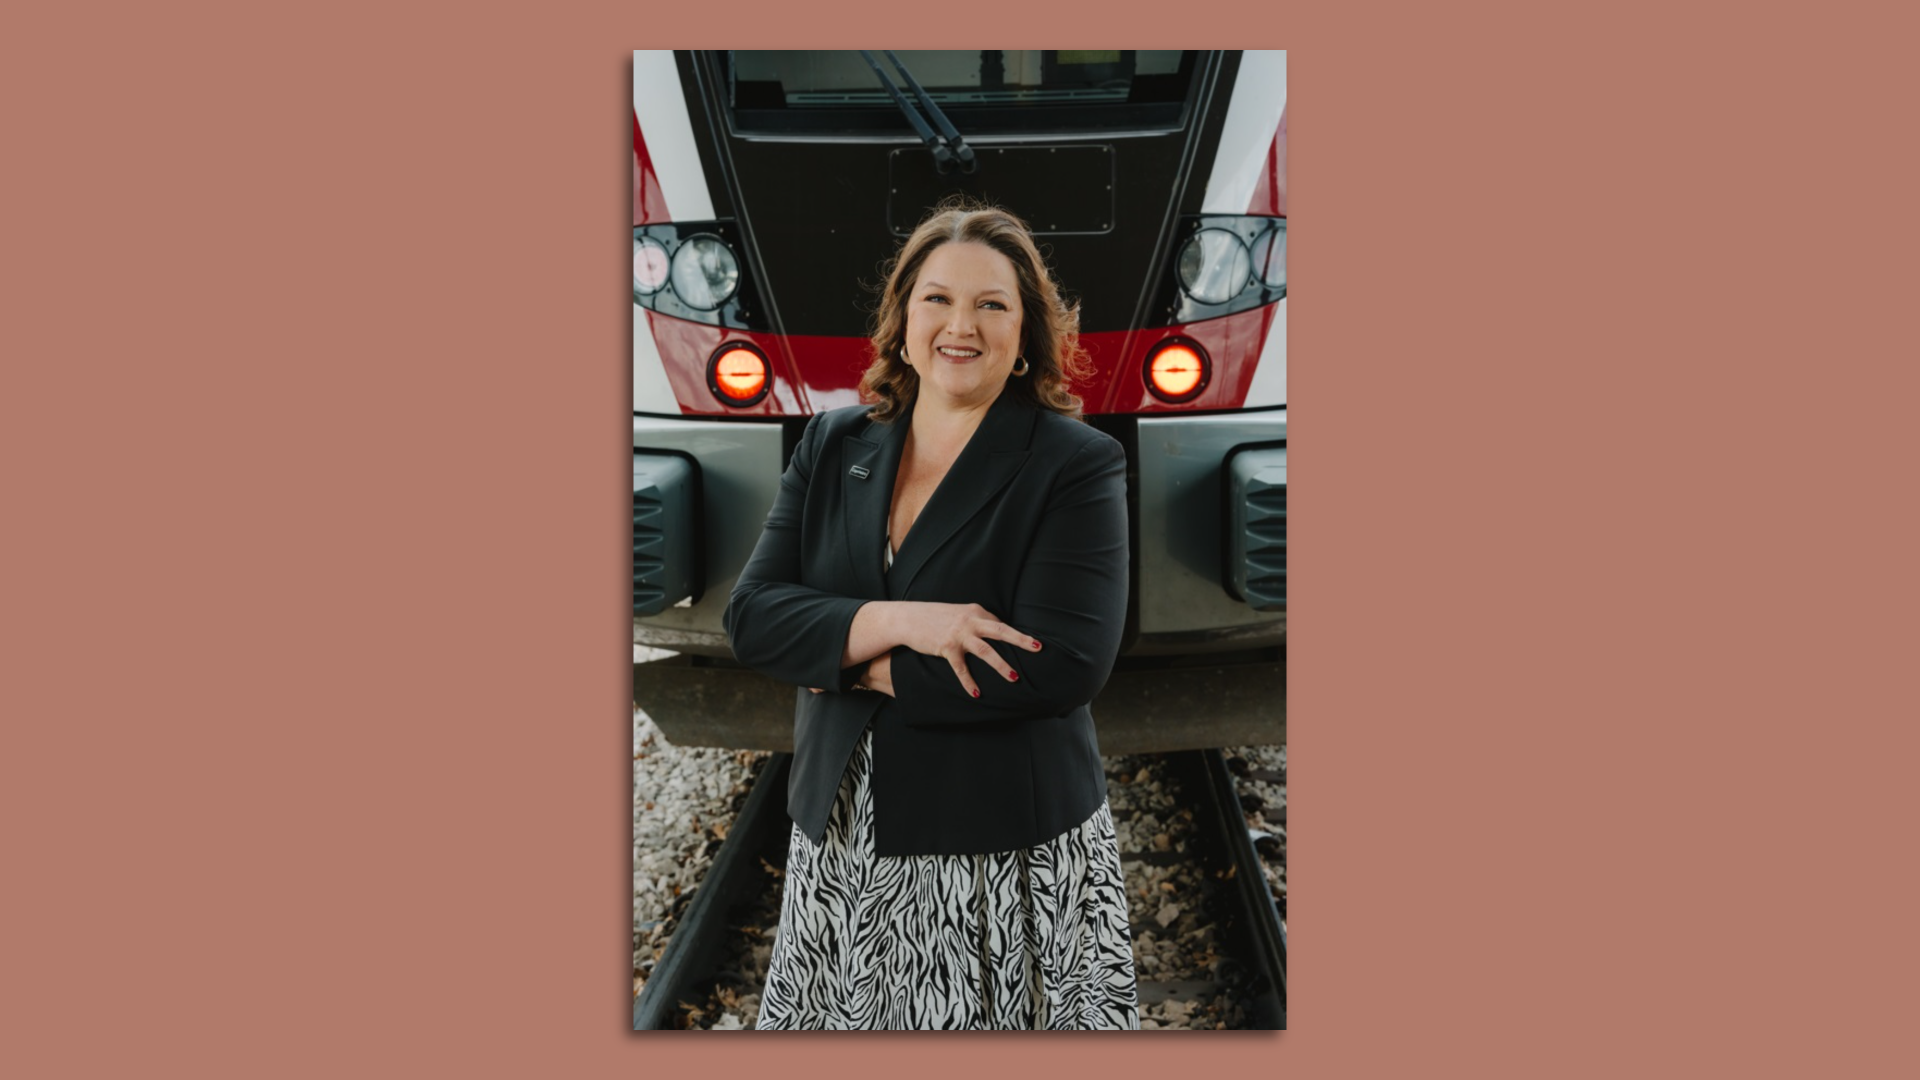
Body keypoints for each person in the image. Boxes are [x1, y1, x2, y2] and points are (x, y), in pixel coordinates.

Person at [723, 198, 1138, 1030]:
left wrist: (849, 661)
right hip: (842, 836)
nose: (962, 325)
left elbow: (1064, 663)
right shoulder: (833, 444)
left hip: (997, 846)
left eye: (993, 304)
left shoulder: (1075, 464)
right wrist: (904, 622)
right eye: (937, 299)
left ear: (1026, 336)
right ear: (904, 319)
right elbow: (754, 615)